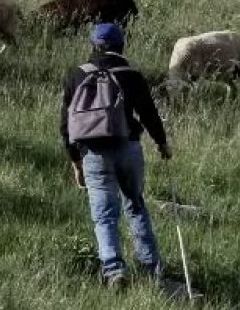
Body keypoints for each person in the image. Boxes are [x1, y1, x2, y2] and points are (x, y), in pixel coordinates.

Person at [61, 22, 171, 289]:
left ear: (93, 45)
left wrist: (76, 162)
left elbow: (65, 125)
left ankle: (114, 270)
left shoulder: (77, 74)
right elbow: (149, 114)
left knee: (104, 215)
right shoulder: (131, 74)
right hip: (128, 147)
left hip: (94, 153)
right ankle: (152, 268)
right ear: (121, 45)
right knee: (135, 205)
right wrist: (162, 144)